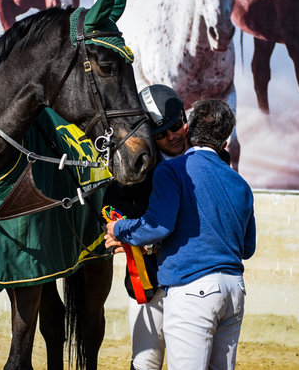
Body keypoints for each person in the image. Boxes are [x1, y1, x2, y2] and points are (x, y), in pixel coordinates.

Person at [105, 98, 256, 370]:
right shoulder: (240, 183)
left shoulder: (170, 171)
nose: (171, 135)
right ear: (224, 142)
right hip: (233, 290)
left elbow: (157, 226)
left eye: (175, 127)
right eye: (161, 133)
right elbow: (247, 247)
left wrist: (119, 229)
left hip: (191, 289)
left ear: (189, 127)